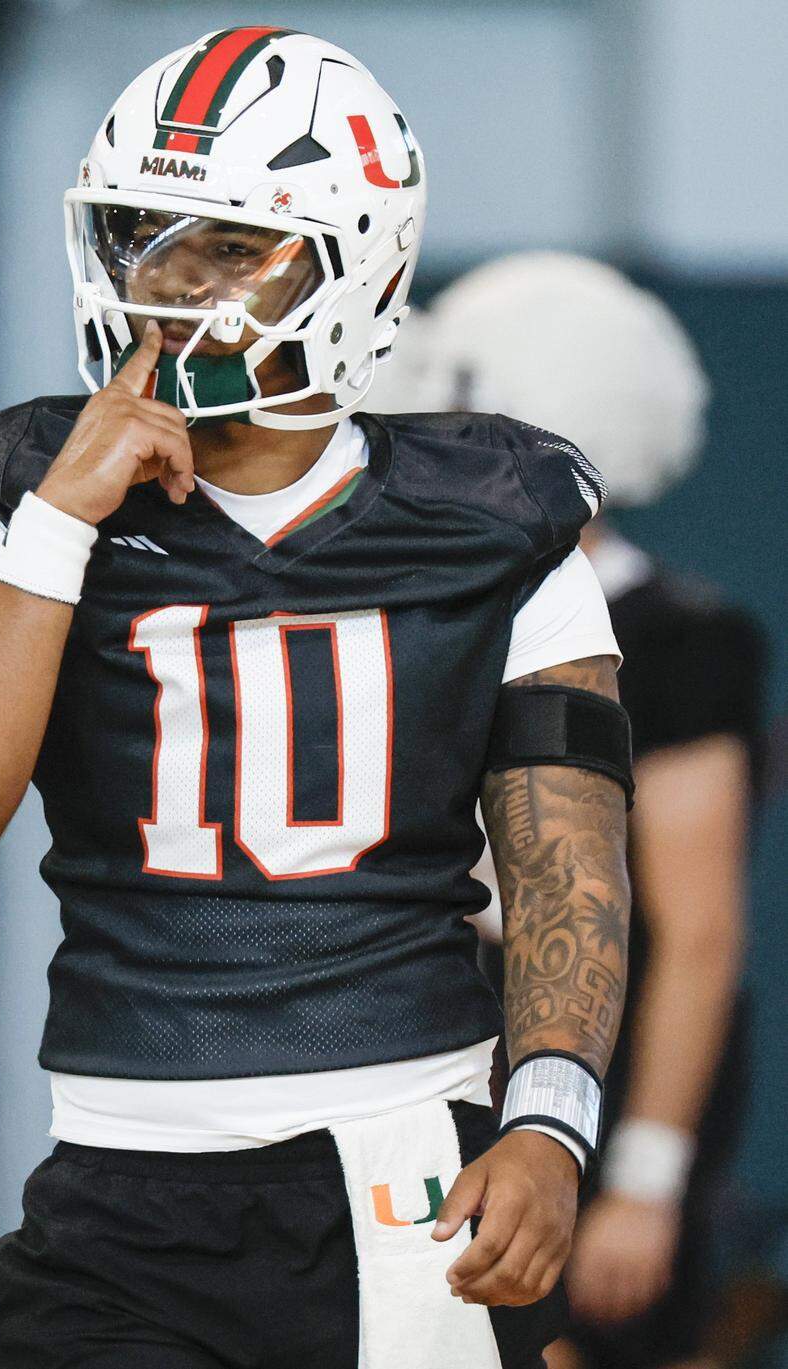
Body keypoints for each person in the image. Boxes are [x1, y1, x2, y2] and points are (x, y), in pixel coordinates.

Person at [0, 32, 633, 1369]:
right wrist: (61, 521)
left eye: (226, 245)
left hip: (407, 1167)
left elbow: (570, 878)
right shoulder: (12, 515)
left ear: (362, 262)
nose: (165, 281)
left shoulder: (492, 522)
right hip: (121, 1184)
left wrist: (551, 1125)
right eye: (143, 235)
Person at [393, 252, 768, 1369]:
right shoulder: (425, 609)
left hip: (597, 1063)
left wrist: (646, 1178)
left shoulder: (679, 639)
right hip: (440, 1065)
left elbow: (696, 936)